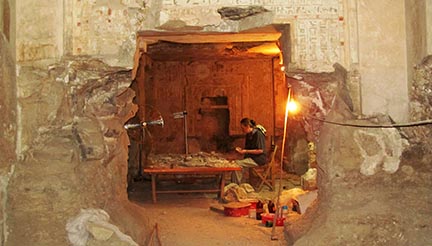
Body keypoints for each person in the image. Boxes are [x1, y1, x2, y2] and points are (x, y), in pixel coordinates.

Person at [232, 118, 267, 184]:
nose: (242, 130)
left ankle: (235, 185)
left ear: (248, 126)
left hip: (258, 159)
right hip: (252, 157)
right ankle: (241, 183)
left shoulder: (258, 134)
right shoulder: (249, 135)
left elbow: (260, 150)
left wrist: (245, 151)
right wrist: (241, 150)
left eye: (243, 128)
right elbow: (248, 149)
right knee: (236, 162)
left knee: (237, 164)